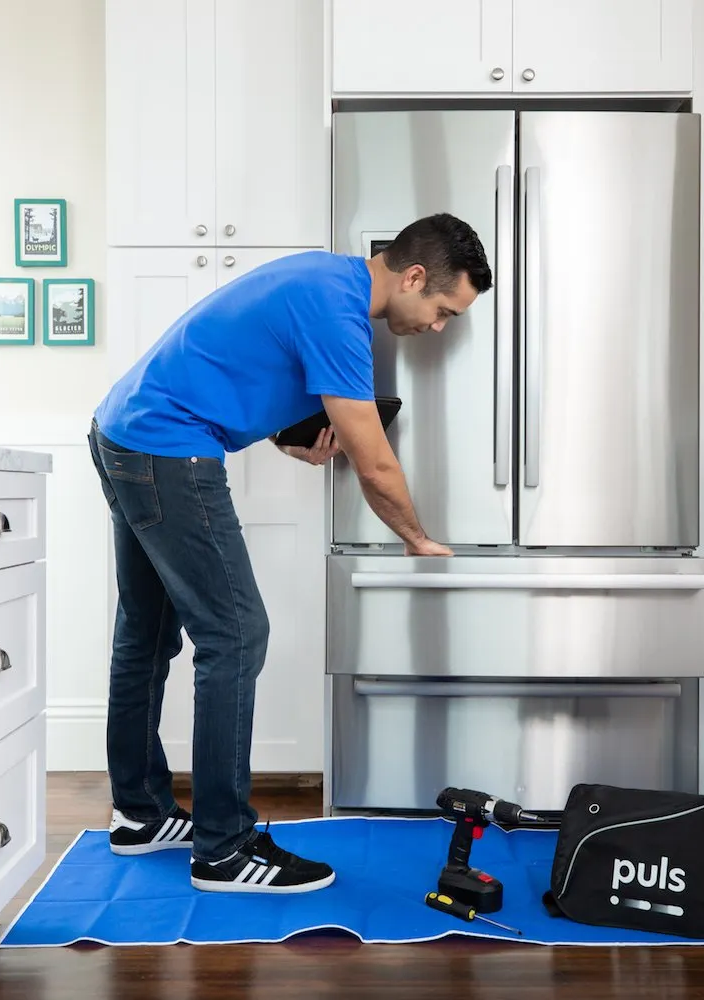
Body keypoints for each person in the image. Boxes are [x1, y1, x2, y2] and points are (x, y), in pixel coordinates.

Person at [86, 212, 492, 894]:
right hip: (165, 448)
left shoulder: (323, 282)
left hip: (123, 430)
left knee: (148, 634)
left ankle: (140, 815)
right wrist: (417, 539)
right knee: (236, 635)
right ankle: (223, 849)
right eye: (444, 310)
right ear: (415, 277)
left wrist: (286, 439)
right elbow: (376, 464)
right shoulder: (338, 313)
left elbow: (237, 364)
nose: (438, 326)